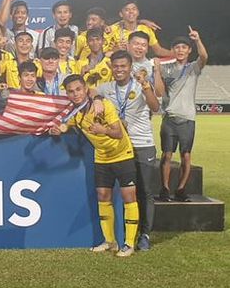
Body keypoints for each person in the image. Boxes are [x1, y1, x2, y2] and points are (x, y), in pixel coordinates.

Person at [50, 74, 138, 257]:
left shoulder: (103, 105)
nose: (75, 94)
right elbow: (69, 124)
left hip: (123, 155)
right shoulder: (77, 112)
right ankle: (110, 241)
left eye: (78, 90)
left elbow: (118, 133)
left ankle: (129, 244)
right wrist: (60, 129)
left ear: (85, 89)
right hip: (102, 158)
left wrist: (102, 129)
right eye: (71, 92)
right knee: (103, 195)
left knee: (128, 196)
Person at [96, 50, 160, 251]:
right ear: (111, 68)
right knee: (125, 193)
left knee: (145, 192)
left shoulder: (141, 86)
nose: (119, 70)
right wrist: (97, 98)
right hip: (118, 147)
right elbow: (92, 93)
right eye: (116, 66)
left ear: (130, 67)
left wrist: (146, 85)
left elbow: (155, 106)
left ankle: (145, 235)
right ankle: (122, 236)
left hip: (141, 144)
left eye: (123, 66)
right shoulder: (106, 88)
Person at [158, 27, 208, 202]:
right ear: (173, 50)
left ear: (189, 51)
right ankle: (164, 189)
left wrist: (197, 39)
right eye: (177, 47)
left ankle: (180, 189)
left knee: (185, 155)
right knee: (166, 154)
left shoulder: (193, 68)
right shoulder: (165, 69)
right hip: (169, 118)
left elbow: (204, 57)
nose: (180, 50)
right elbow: (159, 88)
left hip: (187, 118)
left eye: (183, 47)